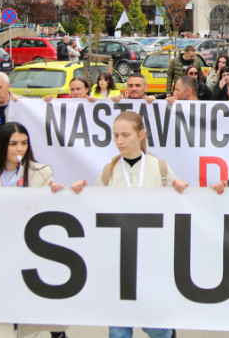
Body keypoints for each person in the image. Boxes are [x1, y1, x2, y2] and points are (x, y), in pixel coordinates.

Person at [69, 111, 187, 338]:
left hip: (150, 260)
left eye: (125, 135)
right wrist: (77, 194)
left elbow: (178, 208)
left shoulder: (159, 168)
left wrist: (180, 188)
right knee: (118, 327)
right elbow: (92, 211)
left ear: (140, 135)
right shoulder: (108, 171)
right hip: (117, 261)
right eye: (115, 136)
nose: (120, 141)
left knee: (154, 324)